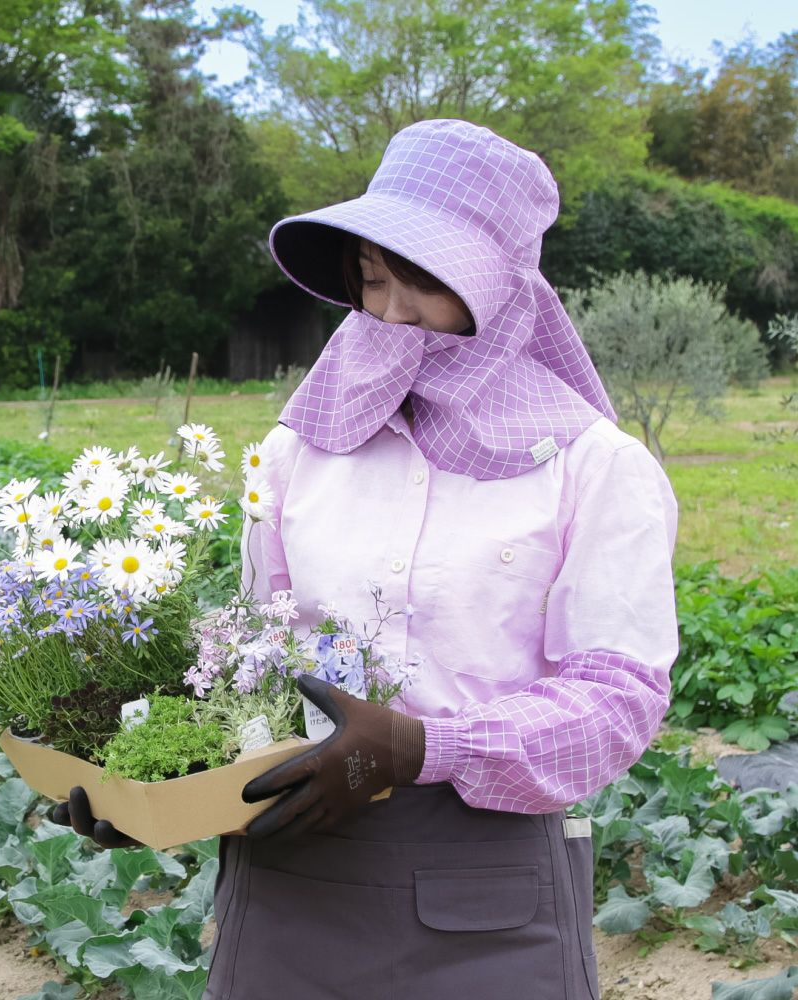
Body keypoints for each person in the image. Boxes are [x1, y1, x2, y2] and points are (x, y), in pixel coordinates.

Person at [56, 119, 679, 1000]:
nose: (390, 316)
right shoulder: (297, 452)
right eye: (373, 281)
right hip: (289, 880)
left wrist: (427, 745)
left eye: (425, 286)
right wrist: (153, 787)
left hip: (484, 900)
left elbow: (619, 701)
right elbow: (252, 665)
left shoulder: (593, 466)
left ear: (503, 291)